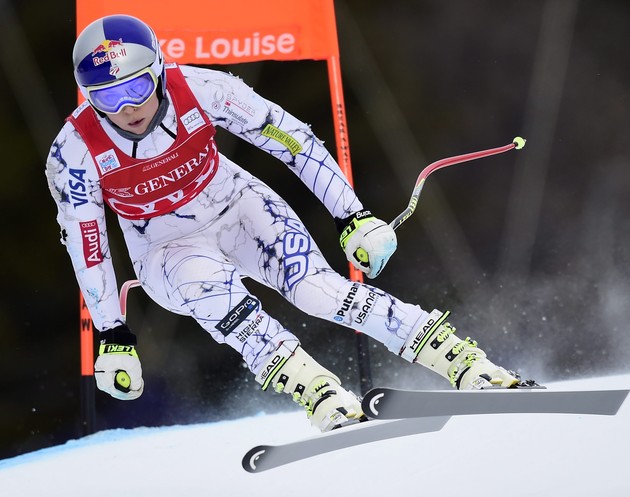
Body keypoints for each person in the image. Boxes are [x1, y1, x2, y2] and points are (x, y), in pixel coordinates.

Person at [46, 14, 531, 432]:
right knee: (217, 296)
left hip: (236, 205)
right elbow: (89, 245)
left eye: (135, 87)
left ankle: (463, 362)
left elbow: (292, 139)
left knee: (319, 292)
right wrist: (112, 334)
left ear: (158, 70)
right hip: (164, 248)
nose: (126, 108)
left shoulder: (203, 88)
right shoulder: (73, 153)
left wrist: (352, 215)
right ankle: (319, 392)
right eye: (106, 97)